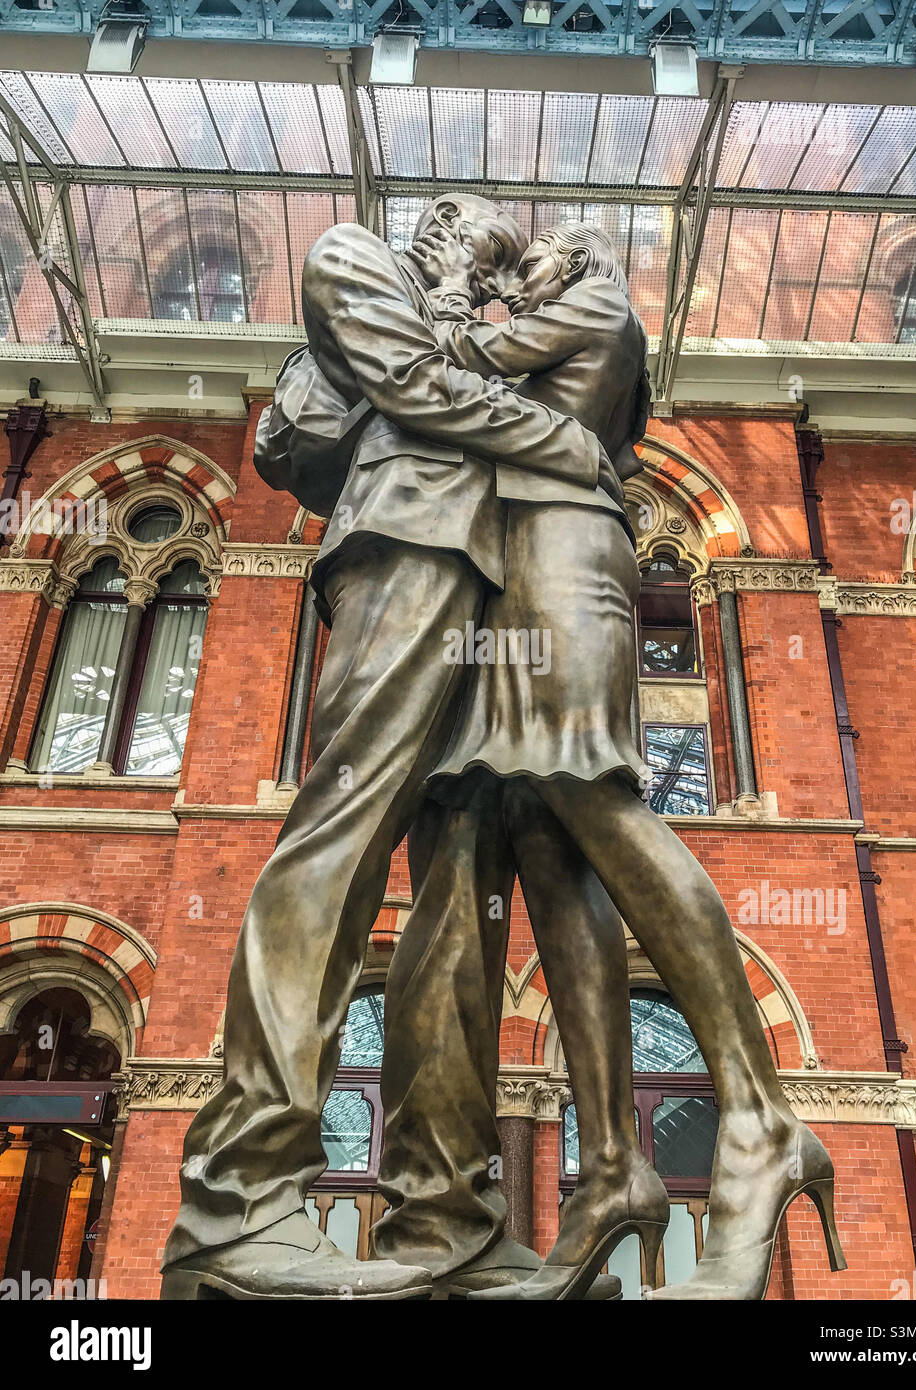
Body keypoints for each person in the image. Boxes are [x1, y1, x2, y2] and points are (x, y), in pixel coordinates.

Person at [375, 222, 846, 1301]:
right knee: (549, 839)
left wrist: (454, 285)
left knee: (595, 799)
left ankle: (761, 1116)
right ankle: (609, 1169)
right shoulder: (567, 329)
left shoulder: (594, 308)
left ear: (576, 261)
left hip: (564, 563)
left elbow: (440, 369)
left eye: (532, 260)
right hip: (527, 568)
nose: (517, 272)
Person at [160, 196, 620, 1301]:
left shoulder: (491, 330)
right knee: (341, 835)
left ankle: (445, 1217)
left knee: (466, 890)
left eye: (509, 265)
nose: (493, 274)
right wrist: (565, 443)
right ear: (434, 228)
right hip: (405, 545)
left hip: (499, 581)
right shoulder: (350, 257)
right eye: (481, 248)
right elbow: (322, 430)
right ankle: (237, 1199)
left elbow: (472, 377)